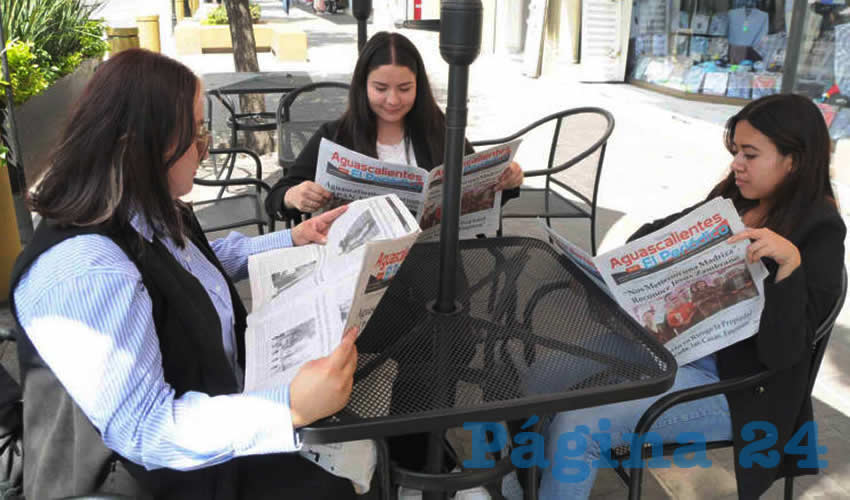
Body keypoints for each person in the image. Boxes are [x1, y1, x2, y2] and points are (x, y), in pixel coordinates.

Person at [9, 49, 359, 499]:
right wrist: (287, 407)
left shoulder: (141, 208)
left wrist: (293, 239)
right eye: (194, 133)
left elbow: (199, 263)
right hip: (155, 478)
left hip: (214, 431)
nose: (205, 146)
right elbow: (146, 429)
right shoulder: (88, 268)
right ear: (141, 147)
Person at [535, 94, 845, 499]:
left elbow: (785, 355)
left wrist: (789, 269)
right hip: (667, 343)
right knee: (540, 379)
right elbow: (659, 231)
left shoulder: (820, 229)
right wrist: (623, 265)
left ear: (795, 160)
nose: (737, 164)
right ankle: (514, 488)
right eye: (736, 152)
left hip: (735, 386)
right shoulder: (738, 196)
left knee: (578, 425)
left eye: (751, 155)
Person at [265, 31, 523, 221]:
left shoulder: (439, 130)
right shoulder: (334, 137)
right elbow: (275, 199)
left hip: (431, 265)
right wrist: (293, 196)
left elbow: (479, 191)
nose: (392, 100)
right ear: (362, 86)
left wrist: (508, 181)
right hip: (355, 269)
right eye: (380, 88)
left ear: (418, 87)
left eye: (404, 88)